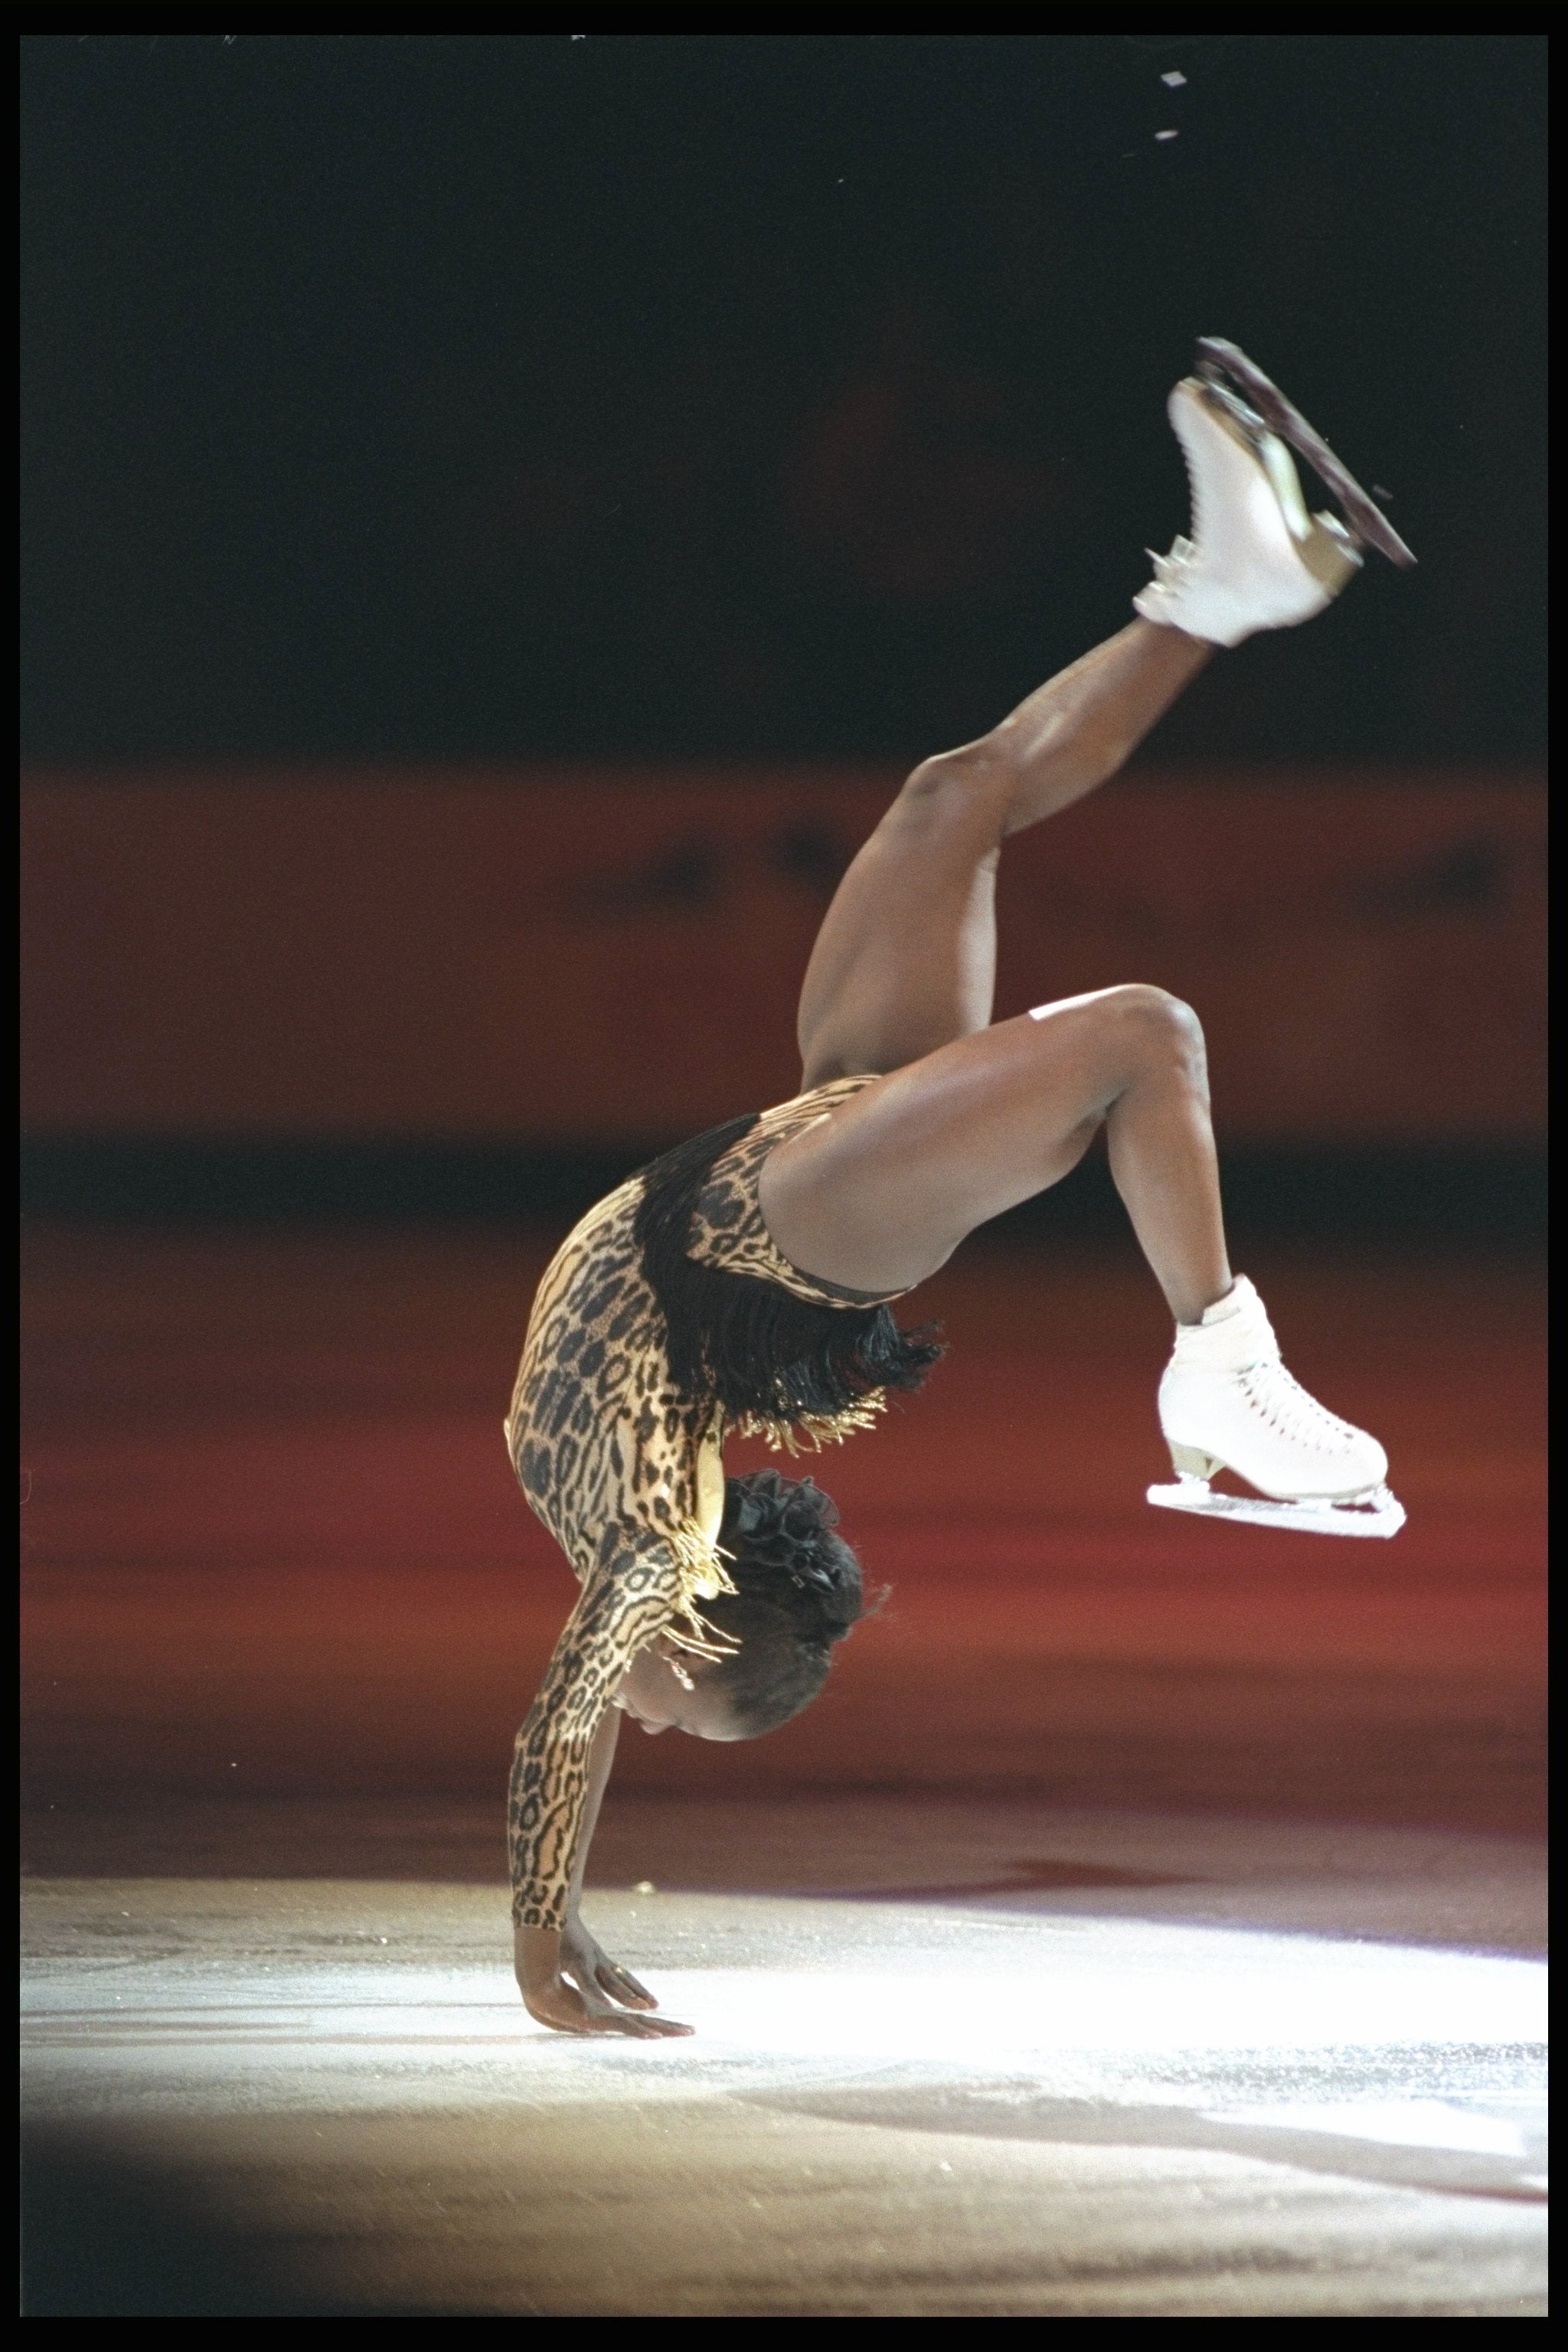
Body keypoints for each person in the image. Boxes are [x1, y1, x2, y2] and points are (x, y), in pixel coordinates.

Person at [504, 342, 1413, 2037]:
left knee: (954, 794)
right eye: (680, 1719)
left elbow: (563, 1709)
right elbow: (569, 1715)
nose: (638, 1716)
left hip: (788, 1149)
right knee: (1145, 1033)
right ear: (701, 1636)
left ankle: (1225, 589)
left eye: (670, 1732)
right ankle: (1223, 1369)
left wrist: (547, 1940)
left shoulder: (624, 1529)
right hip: (803, 1227)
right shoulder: (654, 1526)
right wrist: (550, 1930)